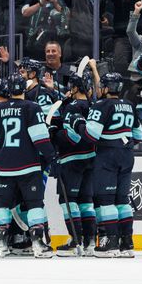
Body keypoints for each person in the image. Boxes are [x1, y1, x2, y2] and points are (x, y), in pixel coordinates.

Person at [0, 73, 56, 258]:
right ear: (24, 88)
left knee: (1, 204)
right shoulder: (32, 107)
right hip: (28, 165)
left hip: (2, 166)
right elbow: (40, 138)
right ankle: (37, 244)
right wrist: (52, 156)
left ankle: (1, 245)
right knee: (34, 204)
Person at [80, 73, 142, 257]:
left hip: (108, 155)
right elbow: (138, 136)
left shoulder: (101, 105)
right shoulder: (130, 105)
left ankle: (111, 241)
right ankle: (127, 242)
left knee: (105, 199)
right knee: (122, 200)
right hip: (127, 155)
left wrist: (78, 125)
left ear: (107, 88)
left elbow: (91, 135)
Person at [51, 72, 98, 256]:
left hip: (71, 160)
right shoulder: (93, 106)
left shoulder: (72, 108)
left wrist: (54, 133)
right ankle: (89, 241)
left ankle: (75, 241)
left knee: (68, 201)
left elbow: (74, 137)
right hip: (90, 158)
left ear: (76, 88)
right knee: (86, 201)